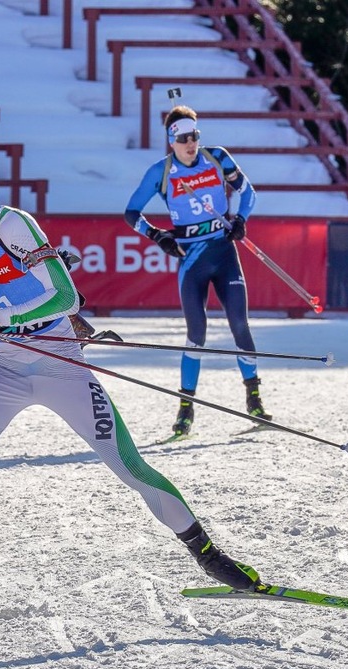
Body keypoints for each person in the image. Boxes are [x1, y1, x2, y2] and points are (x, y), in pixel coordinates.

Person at [0, 156, 263, 622]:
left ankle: (210, 556)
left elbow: (64, 297)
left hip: (61, 364)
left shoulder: (12, 225)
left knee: (130, 466)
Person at [124, 105, 270, 437]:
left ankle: (254, 399)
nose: (191, 144)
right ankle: (186, 409)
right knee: (197, 336)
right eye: (184, 138)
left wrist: (241, 221)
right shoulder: (160, 173)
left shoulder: (217, 158)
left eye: (195, 136)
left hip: (224, 252)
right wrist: (157, 235)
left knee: (239, 325)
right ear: (171, 141)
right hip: (192, 261)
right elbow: (131, 212)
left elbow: (248, 192)